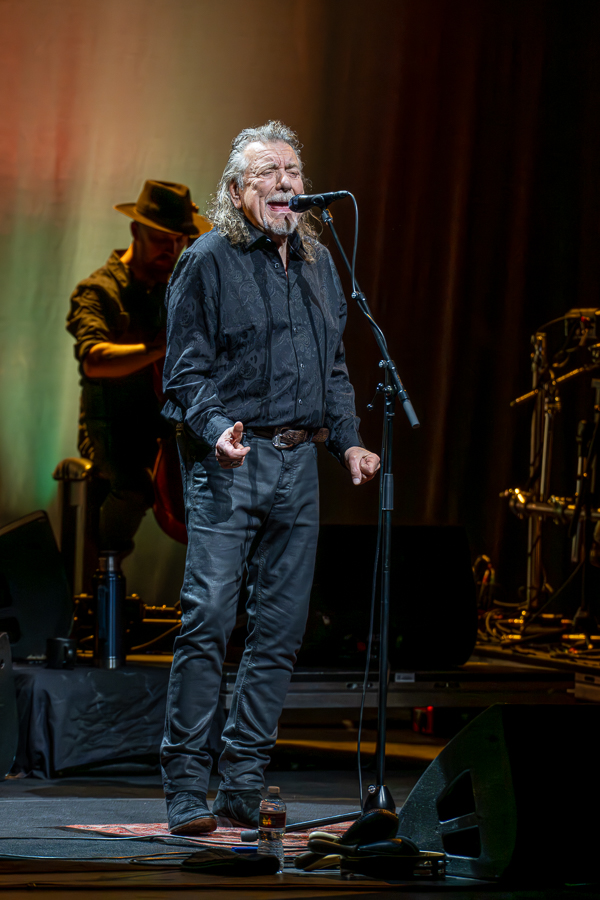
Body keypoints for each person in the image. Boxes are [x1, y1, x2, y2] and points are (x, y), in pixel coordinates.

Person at [160, 121, 380, 835]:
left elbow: (334, 369)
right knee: (208, 620)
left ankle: (242, 782)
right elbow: (184, 371)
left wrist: (349, 442)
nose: (286, 181)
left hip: (298, 463)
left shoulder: (318, 263)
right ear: (236, 191)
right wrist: (213, 426)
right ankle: (186, 787)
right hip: (231, 459)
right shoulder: (207, 261)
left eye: (293, 170)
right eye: (268, 172)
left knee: (280, 631)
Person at [66, 181, 209, 556]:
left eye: (179, 240)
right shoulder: (99, 291)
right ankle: (101, 565)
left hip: (162, 428)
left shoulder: (172, 289)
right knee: (134, 489)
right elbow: (95, 360)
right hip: (112, 429)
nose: (172, 250)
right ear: (135, 230)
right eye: (161, 239)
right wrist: (159, 346)